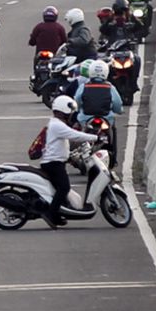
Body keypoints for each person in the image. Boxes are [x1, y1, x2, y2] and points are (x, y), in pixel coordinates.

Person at [41, 95, 98, 227]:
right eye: (70, 112)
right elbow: (74, 135)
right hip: (53, 164)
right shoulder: (57, 125)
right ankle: (51, 214)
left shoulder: (56, 124)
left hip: (55, 162)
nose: (72, 115)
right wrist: (95, 137)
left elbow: (69, 140)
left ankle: (56, 215)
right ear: (64, 111)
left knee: (60, 189)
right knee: (64, 188)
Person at [73, 59, 124, 162]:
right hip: (106, 118)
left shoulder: (84, 86)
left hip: (85, 118)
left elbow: (76, 101)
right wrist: (119, 111)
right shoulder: (110, 87)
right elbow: (118, 105)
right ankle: (113, 157)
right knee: (112, 130)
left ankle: (75, 152)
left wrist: (78, 109)